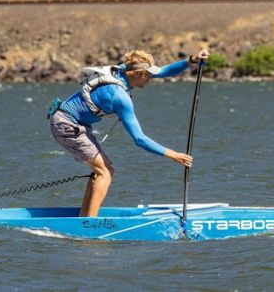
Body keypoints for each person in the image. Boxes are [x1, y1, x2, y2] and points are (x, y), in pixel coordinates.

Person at [48, 48, 210, 217]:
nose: (151, 78)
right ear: (139, 73)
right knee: (105, 172)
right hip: (67, 125)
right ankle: (90, 222)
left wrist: (192, 60)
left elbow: (163, 71)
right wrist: (174, 155)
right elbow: (139, 139)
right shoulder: (119, 97)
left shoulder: (124, 70)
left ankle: (85, 216)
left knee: (102, 170)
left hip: (71, 122)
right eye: (148, 75)